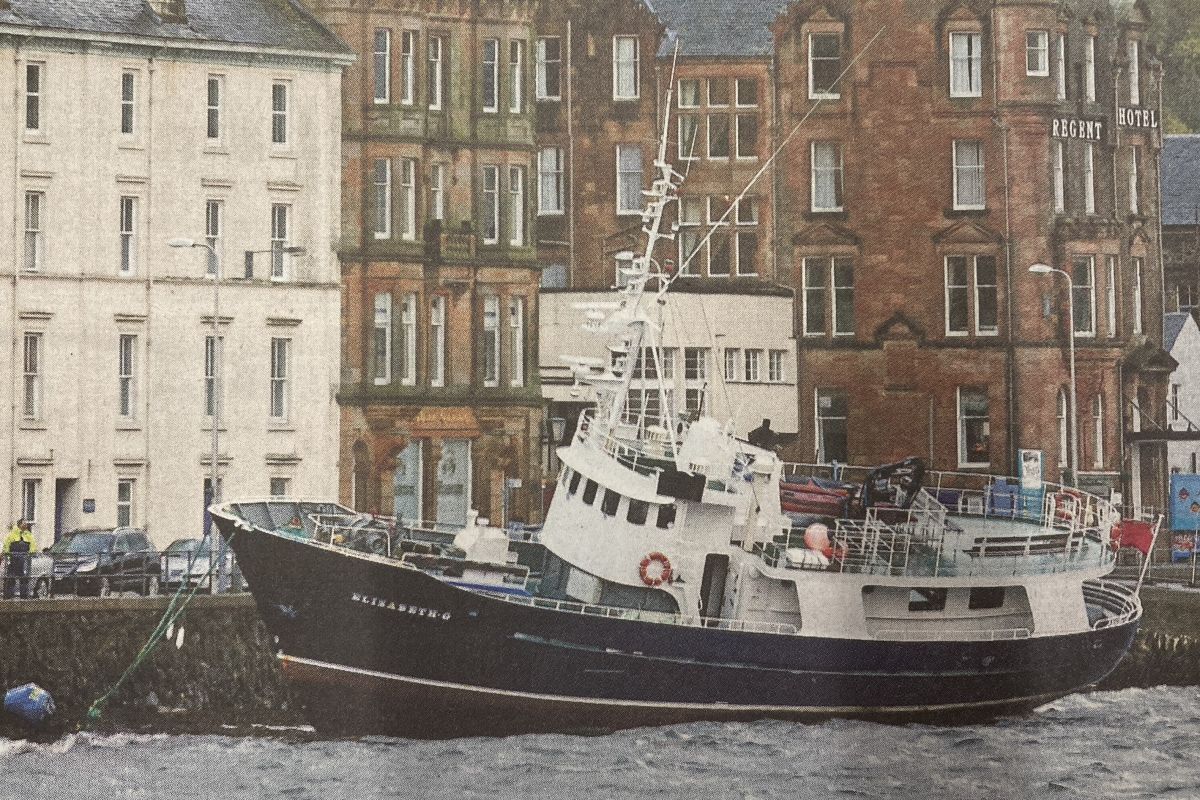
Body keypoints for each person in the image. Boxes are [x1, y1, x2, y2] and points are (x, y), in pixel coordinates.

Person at [3, 519, 35, 600]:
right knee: (10, 578)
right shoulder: (12, 534)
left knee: (24, 579)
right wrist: (8, 555)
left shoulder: (28, 535)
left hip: (23, 560)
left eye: (26, 524)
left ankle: (24, 597)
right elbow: (6, 545)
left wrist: (30, 554)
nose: (26, 525)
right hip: (13, 559)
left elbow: (33, 545)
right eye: (24, 524)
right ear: (19, 524)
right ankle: (8, 597)